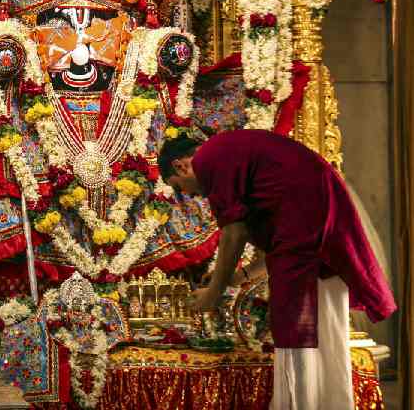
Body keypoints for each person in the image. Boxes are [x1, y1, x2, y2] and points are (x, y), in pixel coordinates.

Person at [158, 130, 396, 410]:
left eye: (179, 187)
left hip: (308, 219)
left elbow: (234, 233)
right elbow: (275, 244)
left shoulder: (210, 159)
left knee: (294, 324)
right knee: (325, 323)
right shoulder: (226, 151)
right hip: (320, 217)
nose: (190, 195)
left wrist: (213, 294)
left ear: (180, 165)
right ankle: (330, 403)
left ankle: (299, 404)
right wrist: (240, 276)